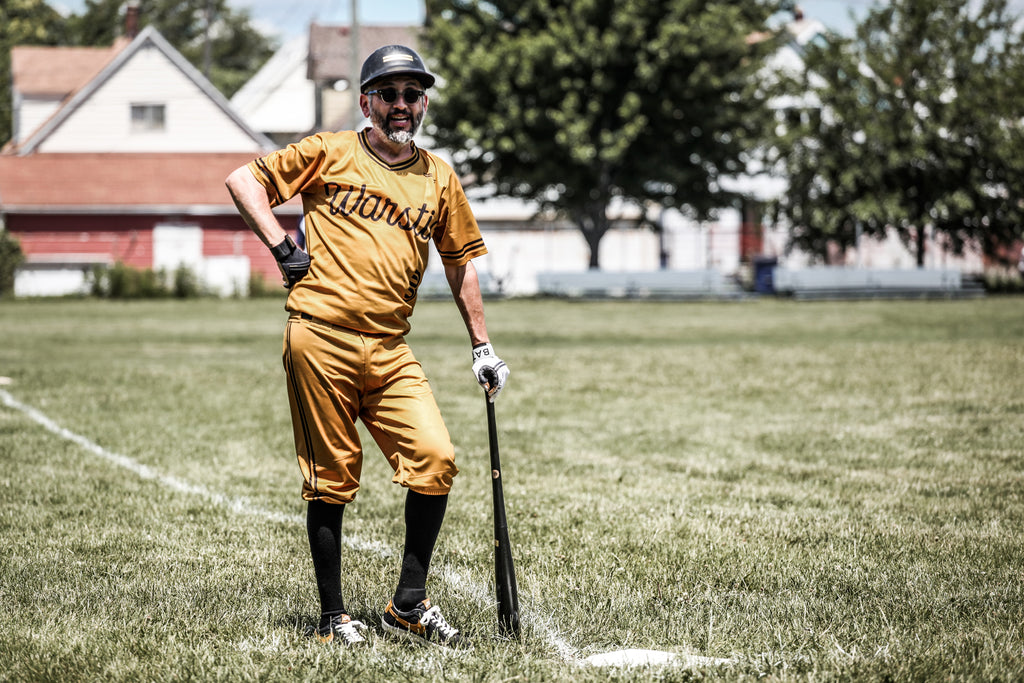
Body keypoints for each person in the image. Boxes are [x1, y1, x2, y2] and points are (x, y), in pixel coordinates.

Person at [225, 44, 509, 649]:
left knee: (434, 460)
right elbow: (243, 181)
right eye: (390, 94)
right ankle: (333, 618)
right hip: (320, 337)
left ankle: (407, 603)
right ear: (366, 102)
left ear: (423, 103)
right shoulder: (329, 151)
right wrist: (282, 248)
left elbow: (460, 262)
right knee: (331, 478)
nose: (402, 106)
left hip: (390, 346)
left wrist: (482, 347)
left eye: (412, 95)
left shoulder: (439, 177)